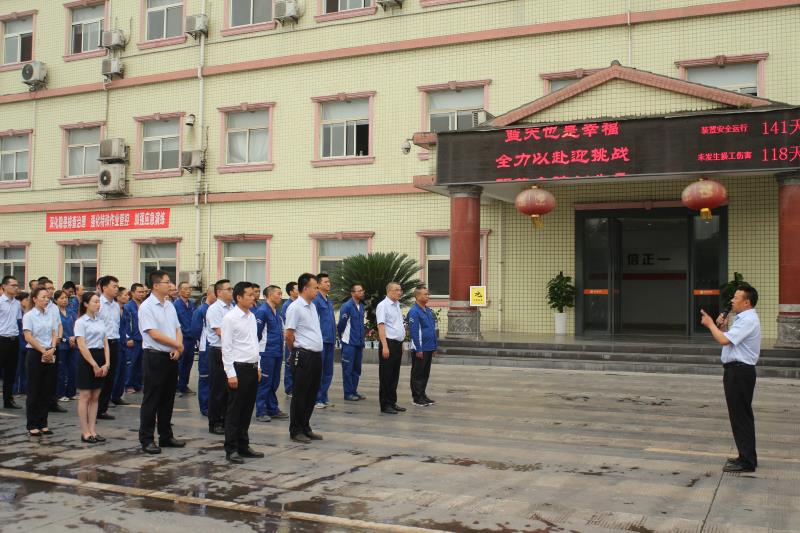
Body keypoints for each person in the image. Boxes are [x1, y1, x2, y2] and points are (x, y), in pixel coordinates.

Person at [700, 284, 761, 473]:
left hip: (739, 372)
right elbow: (729, 341)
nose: (732, 301)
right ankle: (745, 456)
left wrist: (710, 324)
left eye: (736, 298)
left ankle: (747, 461)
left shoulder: (747, 319)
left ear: (747, 302)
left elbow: (724, 340)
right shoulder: (743, 319)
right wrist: (723, 327)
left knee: (741, 416)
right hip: (737, 371)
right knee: (740, 415)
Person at [138, 270, 185, 454]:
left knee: (168, 399)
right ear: (156, 285)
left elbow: (177, 328)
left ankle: (166, 436)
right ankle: (147, 439)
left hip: (171, 357)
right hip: (155, 356)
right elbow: (154, 334)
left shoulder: (169, 305)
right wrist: (177, 345)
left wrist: (177, 347)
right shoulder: (147, 307)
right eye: (167, 282)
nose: (170, 284)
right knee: (152, 399)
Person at [221, 281, 265, 464]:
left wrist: (258, 365)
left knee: (247, 409)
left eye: (254, 294)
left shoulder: (251, 316)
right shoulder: (230, 318)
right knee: (235, 411)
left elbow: (255, 343)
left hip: (252, 368)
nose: (253, 297)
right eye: (249, 295)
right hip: (238, 369)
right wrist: (230, 373)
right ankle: (231, 449)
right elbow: (227, 347)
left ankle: (243, 445)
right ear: (239, 297)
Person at [284, 273, 324, 443]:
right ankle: (296, 430)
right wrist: (295, 351)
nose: (317, 290)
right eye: (315, 287)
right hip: (303, 355)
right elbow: (289, 334)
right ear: (305, 288)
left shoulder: (312, 306)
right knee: (300, 394)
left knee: (311, 394)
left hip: (316, 355)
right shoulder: (295, 307)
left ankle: (305, 427)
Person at [22, 287, 60, 436]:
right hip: (35, 353)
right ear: (34, 299)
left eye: (47, 297)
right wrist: (43, 351)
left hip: (50, 352)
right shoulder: (29, 316)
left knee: (47, 389)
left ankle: (43, 422)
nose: (46, 300)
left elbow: (54, 333)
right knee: (34, 390)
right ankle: (32, 424)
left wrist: (52, 348)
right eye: (43, 297)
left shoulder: (50, 314)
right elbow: (28, 337)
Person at [74, 291, 109, 444]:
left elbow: (105, 342)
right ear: (86, 304)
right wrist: (94, 365)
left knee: (95, 397)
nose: (98, 304)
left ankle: (93, 429)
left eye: (99, 301)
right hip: (87, 358)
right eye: (95, 301)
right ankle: (85, 432)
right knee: (85, 396)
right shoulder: (81, 322)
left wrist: (107, 363)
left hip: (100, 356)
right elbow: (82, 346)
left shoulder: (100, 320)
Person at [255, 285, 287, 422]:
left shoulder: (277, 312)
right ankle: (261, 411)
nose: (280, 296)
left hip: (277, 352)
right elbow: (256, 334)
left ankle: (272, 409)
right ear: (269, 295)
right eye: (278, 294)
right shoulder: (262, 311)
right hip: (266, 353)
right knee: (264, 383)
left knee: (274, 382)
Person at [205, 279, 233, 435]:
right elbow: (219, 332)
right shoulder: (214, 309)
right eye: (228, 289)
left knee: (228, 389)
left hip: (231, 351)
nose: (231, 291)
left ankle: (225, 420)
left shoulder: (232, 307)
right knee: (218, 389)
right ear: (219, 292)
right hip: (218, 351)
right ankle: (214, 422)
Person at [376, 282, 406, 415]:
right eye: (397, 290)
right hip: (388, 343)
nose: (399, 292)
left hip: (397, 344)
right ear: (389, 291)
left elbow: (397, 325)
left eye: (400, 290)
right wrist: (385, 346)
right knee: (386, 375)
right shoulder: (383, 306)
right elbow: (381, 326)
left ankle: (392, 402)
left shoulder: (397, 304)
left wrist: (402, 342)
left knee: (394, 375)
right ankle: (385, 404)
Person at [407, 286, 438, 407]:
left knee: (425, 373)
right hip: (420, 348)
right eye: (425, 294)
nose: (428, 296)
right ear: (417, 296)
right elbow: (414, 332)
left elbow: (432, 329)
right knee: (417, 374)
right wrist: (418, 349)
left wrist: (434, 346)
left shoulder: (428, 310)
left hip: (429, 347)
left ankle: (422, 395)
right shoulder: (414, 312)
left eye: (428, 294)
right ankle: (417, 398)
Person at [96, 276, 122, 419]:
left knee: (111, 377)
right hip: (100, 345)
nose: (117, 289)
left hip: (114, 343)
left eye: (117, 286)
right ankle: (94, 409)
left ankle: (102, 409)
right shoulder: (97, 303)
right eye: (114, 286)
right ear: (104, 288)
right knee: (100, 378)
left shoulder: (116, 305)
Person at [40, 279, 67, 414]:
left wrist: (59, 338)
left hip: (54, 345)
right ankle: (41, 402)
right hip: (40, 346)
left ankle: (52, 402)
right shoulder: (36, 309)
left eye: (52, 288)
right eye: (48, 288)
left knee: (53, 375)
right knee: (40, 377)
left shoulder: (54, 307)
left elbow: (59, 324)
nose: (51, 290)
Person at [337, 283, 366, 402]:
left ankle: (354, 391)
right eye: (359, 291)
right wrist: (342, 337)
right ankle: (348, 393)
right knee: (348, 369)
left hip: (359, 343)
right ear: (352, 293)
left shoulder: (361, 306)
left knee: (357, 369)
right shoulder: (347, 306)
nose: (361, 293)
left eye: (362, 290)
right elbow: (341, 325)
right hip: (349, 343)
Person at [191, 285, 216, 416]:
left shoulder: (217, 309)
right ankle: (205, 406)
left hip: (215, 349)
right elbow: (195, 330)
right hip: (205, 348)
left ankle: (213, 405)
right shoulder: (201, 310)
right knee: (205, 377)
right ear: (209, 294)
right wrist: (201, 343)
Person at [313, 272, 336, 409]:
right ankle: (317, 399)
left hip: (330, 340)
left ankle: (324, 396)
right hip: (321, 340)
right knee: (319, 371)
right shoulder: (316, 300)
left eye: (329, 281)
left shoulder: (328, 300)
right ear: (318, 284)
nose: (328, 284)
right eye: (325, 282)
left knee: (328, 371)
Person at [0, 276, 23, 409]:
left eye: (16, 285)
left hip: (14, 340)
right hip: (1, 339)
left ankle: (8, 400)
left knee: (11, 372)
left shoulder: (17, 303)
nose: (16, 288)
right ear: (4, 286)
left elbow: (18, 321)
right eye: (13, 285)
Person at [54, 290, 79, 402]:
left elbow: (77, 326)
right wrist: (66, 339)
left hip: (73, 345)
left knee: (73, 369)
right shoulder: (54, 313)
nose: (64, 300)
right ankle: (60, 393)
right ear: (56, 300)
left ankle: (71, 392)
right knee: (61, 370)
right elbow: (55, 329)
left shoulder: (71, 312)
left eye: (66, 298)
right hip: (61, 345)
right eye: (61, 298)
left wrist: (74, 337)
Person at [174, 282, 197, 396]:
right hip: (181, 338)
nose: (188, 291)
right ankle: (176, 386)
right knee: (180, 363)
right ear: (179, 291)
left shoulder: (192, 304)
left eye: (190, 288)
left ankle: (184, 385)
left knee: (189, 362)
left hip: (191, 338)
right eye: (185, 289)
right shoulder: (175, 305)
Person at [123, 283, 146, 394]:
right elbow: (126, 324)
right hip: (133, 339)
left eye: (143, 292)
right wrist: (128, 338)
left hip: (143, 339)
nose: (142, 294)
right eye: (139, 292)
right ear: (132, 293)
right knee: (131, 363)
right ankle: (128, 385)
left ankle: (138, 384)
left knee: (140, 364)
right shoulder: (128, 306)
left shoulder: (144, 305)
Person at [280, 282, 298, 398]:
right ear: (291, 292)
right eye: (297, 289)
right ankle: (289, 388)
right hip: (291, 338)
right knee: (289, 363)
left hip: (298, 339)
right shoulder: (287, 305)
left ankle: (295, 387)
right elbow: (287, 324)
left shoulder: (298, 304)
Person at [13, 291, 30, 397]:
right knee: (17, 368)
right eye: (26, 300)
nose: (28, 301)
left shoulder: (29, 312)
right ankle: (14, 390)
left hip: (27, 342)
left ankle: (24, 388)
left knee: (25, 367)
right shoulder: (17, 312)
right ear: (20, 301)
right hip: (19, 341)